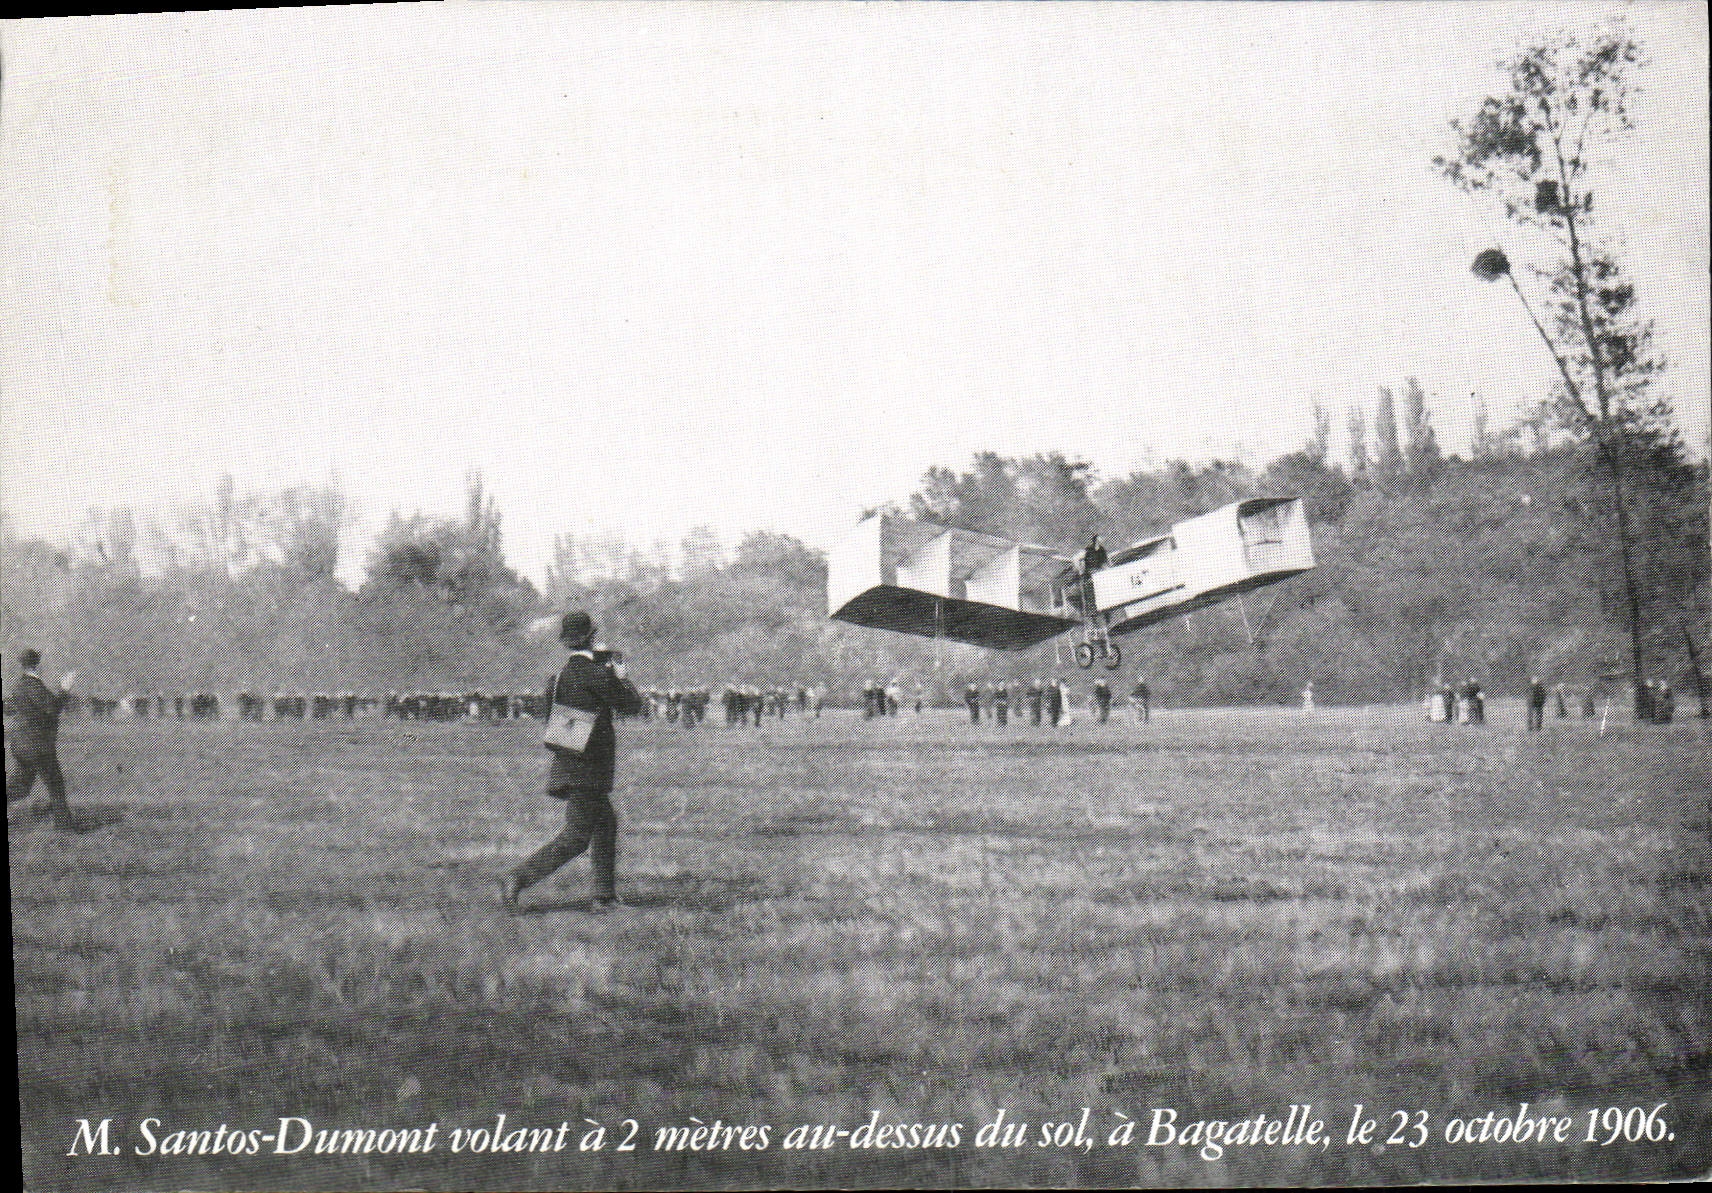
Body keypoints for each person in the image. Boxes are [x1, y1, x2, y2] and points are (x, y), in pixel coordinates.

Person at [501, 611, 642, 913]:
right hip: (589, 767)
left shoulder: (561, 675)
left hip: (570, 761)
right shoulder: (597, 674)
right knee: (577, 838)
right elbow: (632, 705)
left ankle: (604, 897)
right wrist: (621, 674)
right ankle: (516, 879)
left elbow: (553, 716)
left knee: (605, 824)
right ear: (592, 638)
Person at [6, 650, 77, 831]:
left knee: (21, 787)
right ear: (38, 664)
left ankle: (64, 826)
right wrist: (65, 689)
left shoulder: (19, 685)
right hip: (37, 746)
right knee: (55, 784)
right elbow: (53, 708)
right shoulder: (33, 685)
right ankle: (65, 828)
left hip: (21, 744)